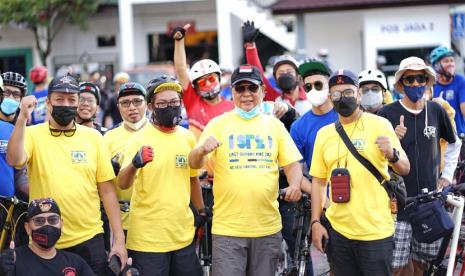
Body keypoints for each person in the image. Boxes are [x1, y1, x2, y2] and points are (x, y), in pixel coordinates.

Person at [6, 74, 127, 275]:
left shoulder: (94, 138)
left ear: (78, 102)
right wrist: (22, 119)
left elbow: (107, 191)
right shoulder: (33, 134)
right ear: (48, 102)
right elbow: (14, 159)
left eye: (72, 99)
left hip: (90, 238)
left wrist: (119, 241)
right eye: (59, 99)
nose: (66, 104)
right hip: (45, 241)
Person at [188, 64, 303, 276]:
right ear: (232, 92)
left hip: (267, 229)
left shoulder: (274, 125)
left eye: (252, 88)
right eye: (240, 89)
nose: (246, 94)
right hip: (228, 231)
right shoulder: (217, 124)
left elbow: (292, 164)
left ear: (263, 91)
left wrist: (295, 185)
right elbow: (193, 164)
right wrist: (201, 150)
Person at [310, 69, 410, 276]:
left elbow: (405, 168)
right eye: (336, 94)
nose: (342, 98)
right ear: (330, 98)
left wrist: (392, 154)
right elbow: (318, 182)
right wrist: (316, 222)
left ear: (358, 94)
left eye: (348, 92)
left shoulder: (380, 124)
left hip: (376, 231)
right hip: (339, 232)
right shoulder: (324, 135)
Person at [377, 56, 460, 276]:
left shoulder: (436, 110)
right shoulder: (386, 114)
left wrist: (447, 176)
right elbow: (375, 156)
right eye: (410, 79)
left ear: (427, 81)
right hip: (397, 205)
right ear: (400, 83)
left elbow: (454, 143)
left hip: (430, 202)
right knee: (396, 266)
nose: (415, 84)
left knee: (424, 263)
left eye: (420, 78)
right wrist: (394, 138)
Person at [118, 75, 205, 275]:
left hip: (183, 236)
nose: (170, 107)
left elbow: (192, 178)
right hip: (148, 241)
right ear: (150, 107)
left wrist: (201, 211)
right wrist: (134, 164)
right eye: (163, 103)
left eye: (174, 102)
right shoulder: (138, 139)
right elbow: (123, 183)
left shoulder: (187, 137)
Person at [0, 197, 95, 275]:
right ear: (28, 228)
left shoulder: (75, 262)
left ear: (61, 224)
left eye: (52, 220)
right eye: (39, 221)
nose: (47, 225)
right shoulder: (14, 259)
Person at [103, 82, 150, 237]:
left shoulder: (159, 132)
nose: (132, 107)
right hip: (122, 220)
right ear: (118, 107)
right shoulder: (109, 137)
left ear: (147, 104)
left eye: (137, 101)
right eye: (125, 103)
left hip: (154, 219)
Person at [172, 24, 234, 138]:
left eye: (211, 79)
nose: (208, 84)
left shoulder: (234, 106)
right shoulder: (193, 102)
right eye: (202, 82)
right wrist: (179, 41)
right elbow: (181, 70)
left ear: (219, 79)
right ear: (195, 87)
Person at [242, 20, 311, 115]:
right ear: (275, 78)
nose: (285, 75)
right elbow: (258, 74)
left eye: (289, 72)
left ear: (298, 76)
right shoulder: (274, 98)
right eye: (281, 73)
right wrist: (250, 47)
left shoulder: (312, 97)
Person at [0, 72, 29, 198]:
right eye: (6, 92)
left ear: (21, 99)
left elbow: (20, 175)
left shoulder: (23, 130)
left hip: (8, 207)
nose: (10, 97)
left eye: (16, 94)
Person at [430, 46, 465, 136]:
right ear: (436, 65)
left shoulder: (460, 81)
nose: (451, 64)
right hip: (438, 139)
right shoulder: (430, 84)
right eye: (446, 61)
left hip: (459, 136)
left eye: (452, 60)